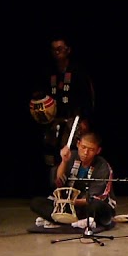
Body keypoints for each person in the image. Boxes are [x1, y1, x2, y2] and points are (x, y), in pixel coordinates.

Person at [31, 35, 95, 169]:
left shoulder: (78, 71)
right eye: (54, 49)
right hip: (53, 122)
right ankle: (53, 179)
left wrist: (84, 119)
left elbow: (88, 96)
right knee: (51, 155)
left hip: (74, 120)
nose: (57, 52)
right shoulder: (49, 72)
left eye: (60, 49)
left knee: (72, 155)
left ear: (68, 50)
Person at [30, 131, 115, 230]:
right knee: (36, 202)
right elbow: (59, 182)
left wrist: (70, 202)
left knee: (97, 206)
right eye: (83, 147)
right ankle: (75, 221)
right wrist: (64, 161)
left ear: (98, 150)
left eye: (91, 149)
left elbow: (95, 198)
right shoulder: (71, 156)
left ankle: (63, 220)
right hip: (68, 205)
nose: (85, 153)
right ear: (78, 144)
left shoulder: (102, 166)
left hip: (86, 206)